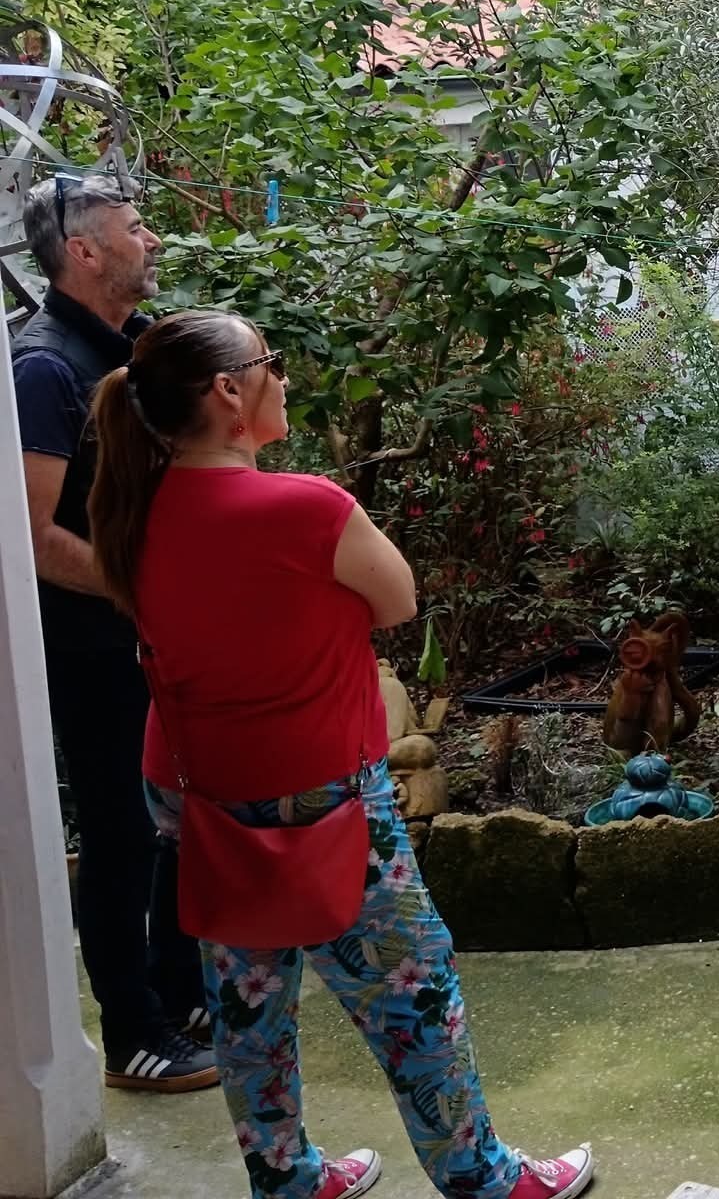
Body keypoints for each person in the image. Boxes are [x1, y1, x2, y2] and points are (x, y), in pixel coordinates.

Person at [89, 309, 595, 1199]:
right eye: (271, 363)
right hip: (319, 793)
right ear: (229, 392)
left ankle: (286, 1178)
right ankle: (481, 1179)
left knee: (249, 1004)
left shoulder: (131, 510)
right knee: (416, 988)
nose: (283, 377)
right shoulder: (307, 508)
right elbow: (396, 601)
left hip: (200, 794)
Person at [9, 173, 213, 1093]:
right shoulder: (45, 369)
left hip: (153, 634)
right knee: (121, 830)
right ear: (85, 252)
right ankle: (132, 1033)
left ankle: (180, 995)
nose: (153, 239)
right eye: (135, 227)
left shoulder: (138, 348)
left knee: (176, 818)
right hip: (91, 647)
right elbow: (33, 537)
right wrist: (148, 592)